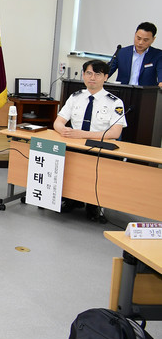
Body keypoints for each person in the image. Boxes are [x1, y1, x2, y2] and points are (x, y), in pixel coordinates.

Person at [54, 59, 127, 220]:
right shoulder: (75, 97)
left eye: (97, 74)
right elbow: (58, 122)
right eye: (89, 73)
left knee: (96, 167)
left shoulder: (115, 102)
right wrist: (63, 130)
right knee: (65, 160)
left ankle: (94, 204)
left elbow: (115, 133)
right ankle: (72, 199)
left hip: (99, 148)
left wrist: (82, 134)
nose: (92, 78)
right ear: (83, 75)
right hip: (75, 145)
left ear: (106, 77)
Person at [108, 22, 162, 88]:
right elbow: (106, 72)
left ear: (153, 39)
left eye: (145, 40)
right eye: (138, 38)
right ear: (135, 35)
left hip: (145, 92)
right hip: (123, 91)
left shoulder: (158, 55)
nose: (140, 42)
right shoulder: (122, 52)